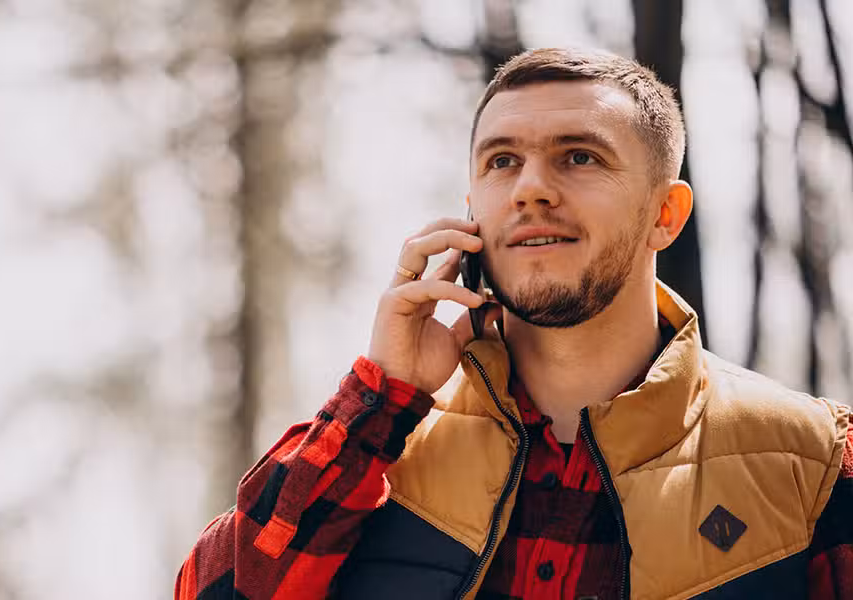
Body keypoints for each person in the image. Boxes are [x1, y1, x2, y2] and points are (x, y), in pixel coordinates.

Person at [174, 48, 853, 600]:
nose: (531, 187)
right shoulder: (376, 451)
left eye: (578, 156)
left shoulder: (816, 464)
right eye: (503, 161)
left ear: (664, 215)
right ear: (473, 209)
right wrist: (379, 397)